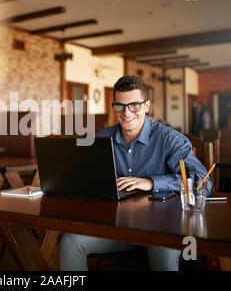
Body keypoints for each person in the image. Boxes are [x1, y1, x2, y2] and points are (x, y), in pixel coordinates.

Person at [60, 76, 212, 271]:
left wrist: (151, 182)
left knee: (163, 249)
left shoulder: (169, 139)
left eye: (134, 105)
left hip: (163, 229)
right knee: (70, 241)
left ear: (147, 105)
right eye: (120, 106)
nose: (126, 112)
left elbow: (203, 183)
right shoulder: (101, 138)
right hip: (117, 228)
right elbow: (83, 177)